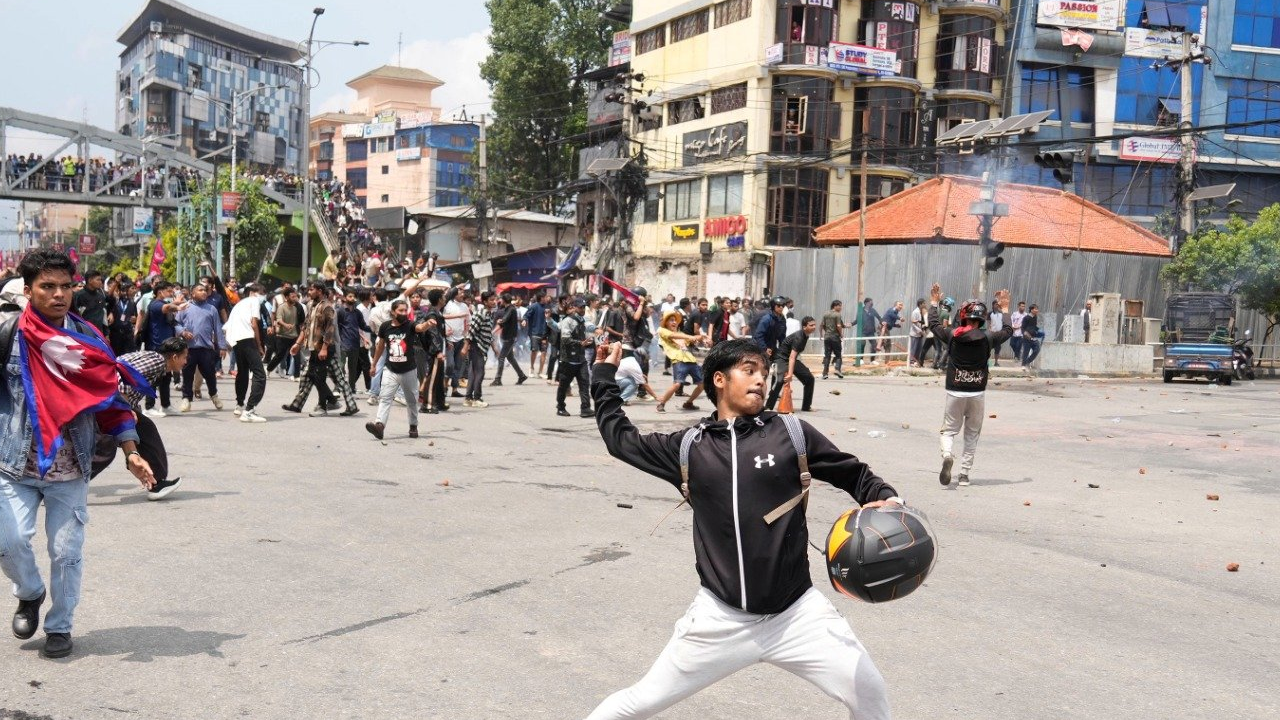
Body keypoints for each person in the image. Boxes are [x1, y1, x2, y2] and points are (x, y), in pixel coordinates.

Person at [584, 338, 903, 719]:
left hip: (797, 614)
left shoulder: (791, 433)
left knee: (869, 693)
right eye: (749, 371)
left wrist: (885, 497)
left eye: (764, 373)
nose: (760, 381)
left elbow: (852, 473)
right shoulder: (689, 447)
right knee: (637, 704)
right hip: (721, 618)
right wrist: (603, 375)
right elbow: (621, 440)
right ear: (719, 379)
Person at [0, 249, 155, 659]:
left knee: (67, 553)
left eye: (65, 286)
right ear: (28, 290)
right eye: (47, 287)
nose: (58, 295)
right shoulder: (8, 335)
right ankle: (30, 592)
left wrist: (130, 450)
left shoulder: (88, 338)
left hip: (69, 469)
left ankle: (59, 626)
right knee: (7, 543)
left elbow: (110, 399)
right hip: (14, 465)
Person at [925, 285, 1013, 487]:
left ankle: (947, 454)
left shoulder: (952, 335)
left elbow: (933, 324)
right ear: (982, 318)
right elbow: (1008, 330)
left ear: (963, 316)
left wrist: (933, 302)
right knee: (972, 434)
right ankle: (964, 475)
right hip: (977, 394)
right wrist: (1006, 308)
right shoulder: (989, 338)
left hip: (955, 391)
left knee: (948, 431)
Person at [109, 336, 190, 498]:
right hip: (109, 402)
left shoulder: (156, 361)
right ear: (174, 357)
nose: (185, 362)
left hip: (115, 401)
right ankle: (65, 486)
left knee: (145, 429)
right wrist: (124, 408)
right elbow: (122, 374)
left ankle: (156, 482)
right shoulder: (157, 362)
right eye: (184, 357)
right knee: (103, 451)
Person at [365, 299, 431, 440]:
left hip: (409, 370)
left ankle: (413, 426)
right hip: (391, 370)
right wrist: (374, 364)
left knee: (411, 400)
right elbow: (380, 346)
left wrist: (427, 324)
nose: (403, 313)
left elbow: (419, 328)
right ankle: (379, 426)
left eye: (405, 310)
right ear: (393, 312)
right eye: (400, 310)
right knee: (385, 398)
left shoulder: (409, 325)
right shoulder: (385, 327)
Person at [175, 282, 228, 413]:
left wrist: (222, 346)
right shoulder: (185, 307)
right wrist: (182, 332)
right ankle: (186, 399)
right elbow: (176, 323)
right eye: (200, 290)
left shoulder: (212, 309)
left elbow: (218, 329)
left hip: (206, 349)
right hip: (188, 349)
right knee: (187, 375)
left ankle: (214, 395)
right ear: (192, 293)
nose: (204, 292)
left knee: (210, 375)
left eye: (205, 290)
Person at [223, 283, 268, 422]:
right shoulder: (254, 301)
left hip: (236, 340)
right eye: (262, 292)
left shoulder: (239, 304)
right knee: (260, 374)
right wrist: (259, 345)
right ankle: (249, 410)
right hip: (247, 338)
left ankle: (240, 404)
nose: (263, 296)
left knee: (242, 372)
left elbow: (227, 326)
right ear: (254, 292)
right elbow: (254, 323)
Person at [655, 310, 706, 413]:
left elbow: (693, 339)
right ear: (666, 323)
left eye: (675, 321)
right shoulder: (662, 330)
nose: (674, 322)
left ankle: (689, 403)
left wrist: (702, 338)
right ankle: (661, 404)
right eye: (671, 320)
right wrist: (690, 337)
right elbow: (674, 336)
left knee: (702, 385)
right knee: (677, 384)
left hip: (691, 360)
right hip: (678, 360)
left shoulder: (681, 333)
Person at [554, 299, 596, 418]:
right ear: (574, 307)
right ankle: (560, 407)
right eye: (580, 307)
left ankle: (585, 408)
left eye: (584, 307)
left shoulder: (583, 320)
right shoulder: (567, 321)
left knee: (584, 383)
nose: (582, 309)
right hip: (568, 359)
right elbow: (565, 339)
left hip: (581, 359)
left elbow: (591, 328)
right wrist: (580, 343)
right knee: (564, 385)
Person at [768, 316, 817, 412]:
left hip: (790, 358)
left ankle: (806, 407)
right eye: (811, 325)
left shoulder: (805, 335)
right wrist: (790, 374)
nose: (814, 327)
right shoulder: (799, 337)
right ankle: (768, 407)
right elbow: (792, 357)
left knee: (809, 378)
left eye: (814, 325)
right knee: (779, 381)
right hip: (781, 358)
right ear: (804, 327)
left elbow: (793, 357)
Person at [462, 291, 496, 408]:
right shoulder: (480, 313)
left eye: (494, 299)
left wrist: (494, 347)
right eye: (491, 300)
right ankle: (477, 398)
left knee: (473, 373)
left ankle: (468, 398)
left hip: (483, 347)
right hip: (477, 347)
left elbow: (488, 333)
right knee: (479, 373)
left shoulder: (489, 314)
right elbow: (471, 331)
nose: (494, 301)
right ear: (485, 302)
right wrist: (465, 347)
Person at [491, 293, 527, 386]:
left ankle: (498, 379)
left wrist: (500, 322)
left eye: (501, 300)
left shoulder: (511, 309)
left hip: (510, 337)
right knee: (510, 358)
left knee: (501, 357)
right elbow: (503, 322)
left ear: (504, 300)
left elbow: (504, 320)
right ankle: (521, 375)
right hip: (508, 336)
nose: (500, 301)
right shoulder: (508, 308)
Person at [71, 270, 109, 336]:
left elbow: (104, 316)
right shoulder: (79, 296)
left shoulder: (101, 296)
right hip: (83, 333)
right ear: (90, 280)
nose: (100, 282)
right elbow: (73, 315)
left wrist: (106, 333)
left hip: (99, 333)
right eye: (98, 280)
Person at [821, 300, 845, 379]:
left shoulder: (826, 313)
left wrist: (822, 334)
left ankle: (825, 373)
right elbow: (838, 325)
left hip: (827, 337)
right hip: (835, 337)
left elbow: (822, 325)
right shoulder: (837, 314)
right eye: (840, 306)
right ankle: (837, 369)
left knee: (827, 356)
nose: (841, 307)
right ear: (835, 306)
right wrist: (841, 334)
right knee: (838, 355)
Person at [857, 297, 882, 365]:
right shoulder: (861, 310)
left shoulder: (872, 310)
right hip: (863, 331)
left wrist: (882, 322)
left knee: (874, 345)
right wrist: (851, 324)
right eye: (870, 302)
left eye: (872, 303)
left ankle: (872, 360)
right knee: (862, 344)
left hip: (871, 331)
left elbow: (879, 317)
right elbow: (857, 320)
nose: (872, 304)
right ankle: (861, 359)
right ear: (865, 303)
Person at [988, 297, 1007, 366]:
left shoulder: (1001, 313)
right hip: (992, 333)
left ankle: (996, 362)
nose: (997, 305)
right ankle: (986, 361)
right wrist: (988, 330)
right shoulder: (990, 313)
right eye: (996, 304)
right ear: (993, 305)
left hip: (999, 334)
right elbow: (988, 323)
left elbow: (1004, 322)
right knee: (989, 348)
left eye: (998, 304)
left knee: (998, 348)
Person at [909, 298, 927, 367]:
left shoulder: (922, 311)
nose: (925, 305)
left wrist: (923, 330)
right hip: (915, 334)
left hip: (920, 334)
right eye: (924, 303)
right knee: (913, 348)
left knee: (918, 348)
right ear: (920, 304)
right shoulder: (915, 312)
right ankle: (911, 362)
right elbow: (913, 324)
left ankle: (915, 361)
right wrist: (920, 331)